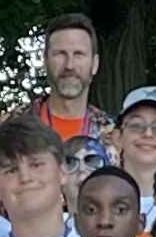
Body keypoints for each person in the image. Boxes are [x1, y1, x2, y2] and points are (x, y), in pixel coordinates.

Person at [28, 13, 115, 164]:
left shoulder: (114, 135)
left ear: (94, 64)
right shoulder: (13, 126)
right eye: (60, 54)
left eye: (79, 54)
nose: (69, 65)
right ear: (45, 61)